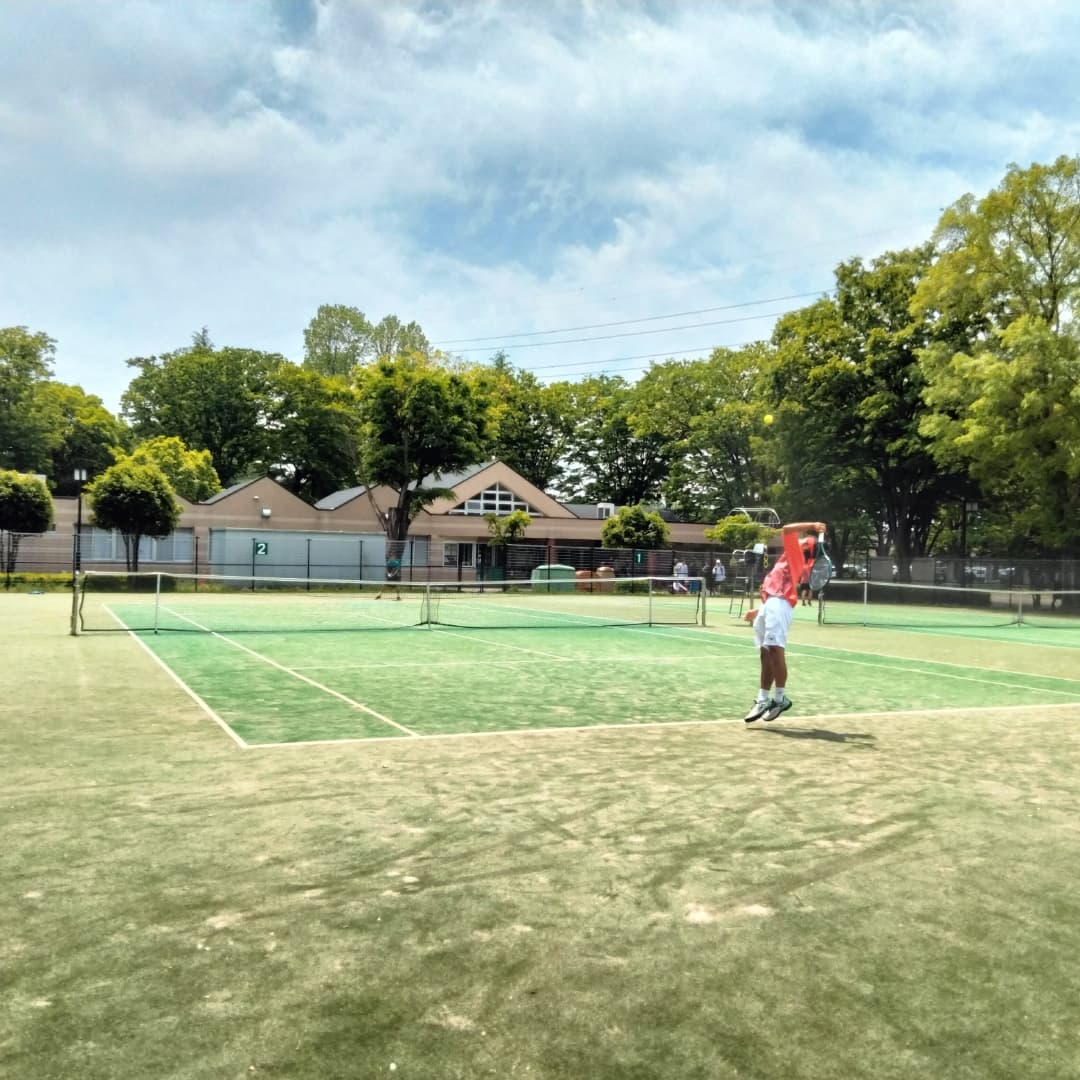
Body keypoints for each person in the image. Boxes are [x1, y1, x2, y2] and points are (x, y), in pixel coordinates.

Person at [742, 521, 827, 723]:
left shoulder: (795, 554)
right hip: (771, 605)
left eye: (806, 541)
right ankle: (763, 699)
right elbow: (776, 590)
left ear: (806, 549)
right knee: (765, 654)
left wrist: (813, 525)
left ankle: (780, 699)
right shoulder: (788, 559)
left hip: (779, 605)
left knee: (774, 650)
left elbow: (787, 529)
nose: (802, 540)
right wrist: (760, 610)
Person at [797, 536, 816, 607]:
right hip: (810, 580)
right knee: (810, 591)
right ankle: (809, 602)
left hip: (803, 580)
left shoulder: (802, 566)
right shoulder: (811, 564)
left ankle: (803, 602)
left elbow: (800, 574)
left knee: (804, 590)